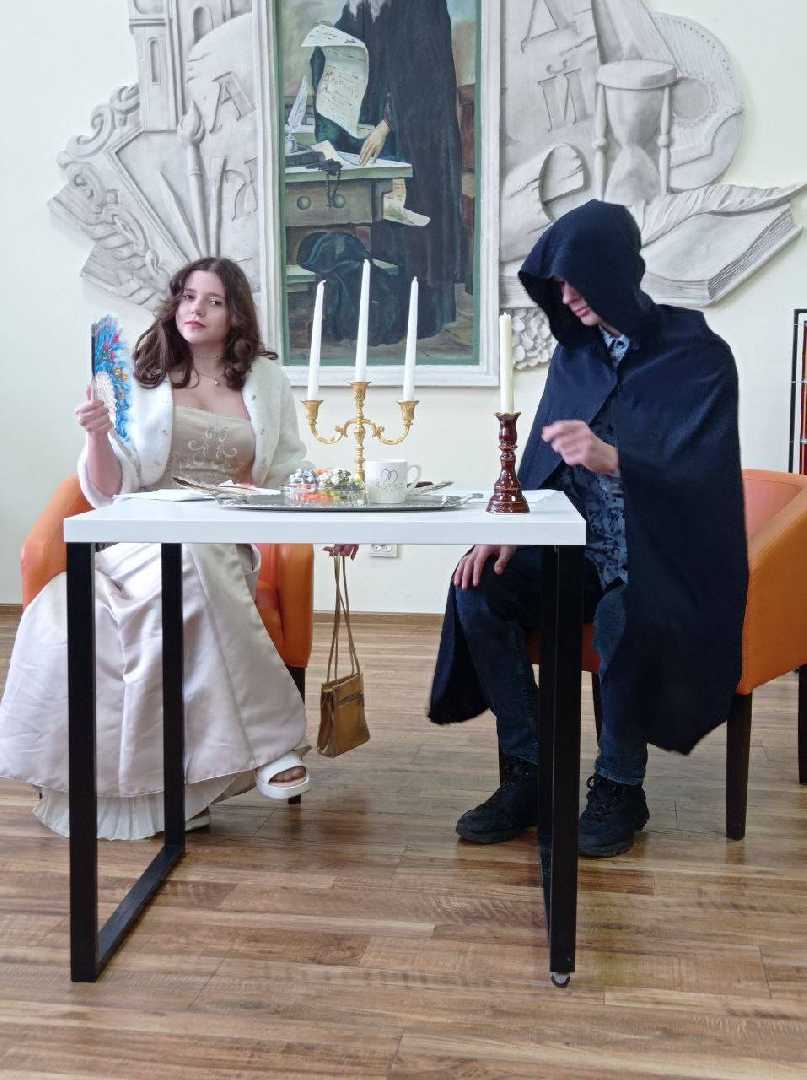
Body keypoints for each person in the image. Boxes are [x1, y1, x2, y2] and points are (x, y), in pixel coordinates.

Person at [428, 200, 748, 857]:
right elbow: (536, 464)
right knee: (477, 589)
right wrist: (506, 524)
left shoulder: (697, 354)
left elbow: (705, 473)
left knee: (621, 618)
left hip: (660, 558)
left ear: (612, 271)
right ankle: (530, 773)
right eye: (558, 285)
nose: (567, 297)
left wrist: (614, 459)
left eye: (577, 281)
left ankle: (620, 787)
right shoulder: (576, 356)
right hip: (573, 550)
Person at [0, 257, 319, 839]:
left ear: (236, 314)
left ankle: (224, 767)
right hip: (139, 541)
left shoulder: (267, 380)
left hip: (224, 541)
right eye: (189, 297)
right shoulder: (139, 376)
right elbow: (108, 488)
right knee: (150, 576)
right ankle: (263, 747)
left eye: (214, 301)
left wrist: (329, 516)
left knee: (195, 554)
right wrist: (97, 435)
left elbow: (290, 470)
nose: (197, 310)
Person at [310, 0, 464, 339]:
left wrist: (386, 124)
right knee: (390, 228)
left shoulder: (423, 7)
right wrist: (328, 45)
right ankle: (394, 311)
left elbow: (426, 74)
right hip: (382, 131)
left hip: (421, 134)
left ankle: (426, 315)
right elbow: (351, 45)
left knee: (420, 225)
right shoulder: (362, 6)